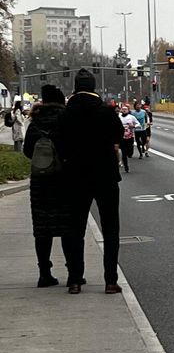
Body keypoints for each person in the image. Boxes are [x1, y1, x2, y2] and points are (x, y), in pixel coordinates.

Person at [59, 68, 124, 294]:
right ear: (94, 86)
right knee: (111, 229)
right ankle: (110, 280)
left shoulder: (66, 113)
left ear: (76, 87)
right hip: (105, 175)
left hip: (75, 175)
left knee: (74, 228)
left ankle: (75, 279)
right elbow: (119, 134)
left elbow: (59, 142)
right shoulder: (105, 111)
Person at [23, 85, 72, 287]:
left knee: (42, 229)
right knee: (69, 228)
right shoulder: (67, 120)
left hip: (40, 182)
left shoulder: (35, 123)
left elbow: (27, 151)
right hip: (65, 180)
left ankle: (44, 273)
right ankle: (73, 273)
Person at [118, 105, 139, 173]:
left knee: (129, 153)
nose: (124, 110)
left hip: (130, 137)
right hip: (122, 137)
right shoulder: (119, 117)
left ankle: (130, 153)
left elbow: (138, 124)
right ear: (121, 110)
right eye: (123, 109)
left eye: (125, 109)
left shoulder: (131, 117)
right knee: (123, 152)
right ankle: (126, 167)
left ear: (128, 110)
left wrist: (133, 126)